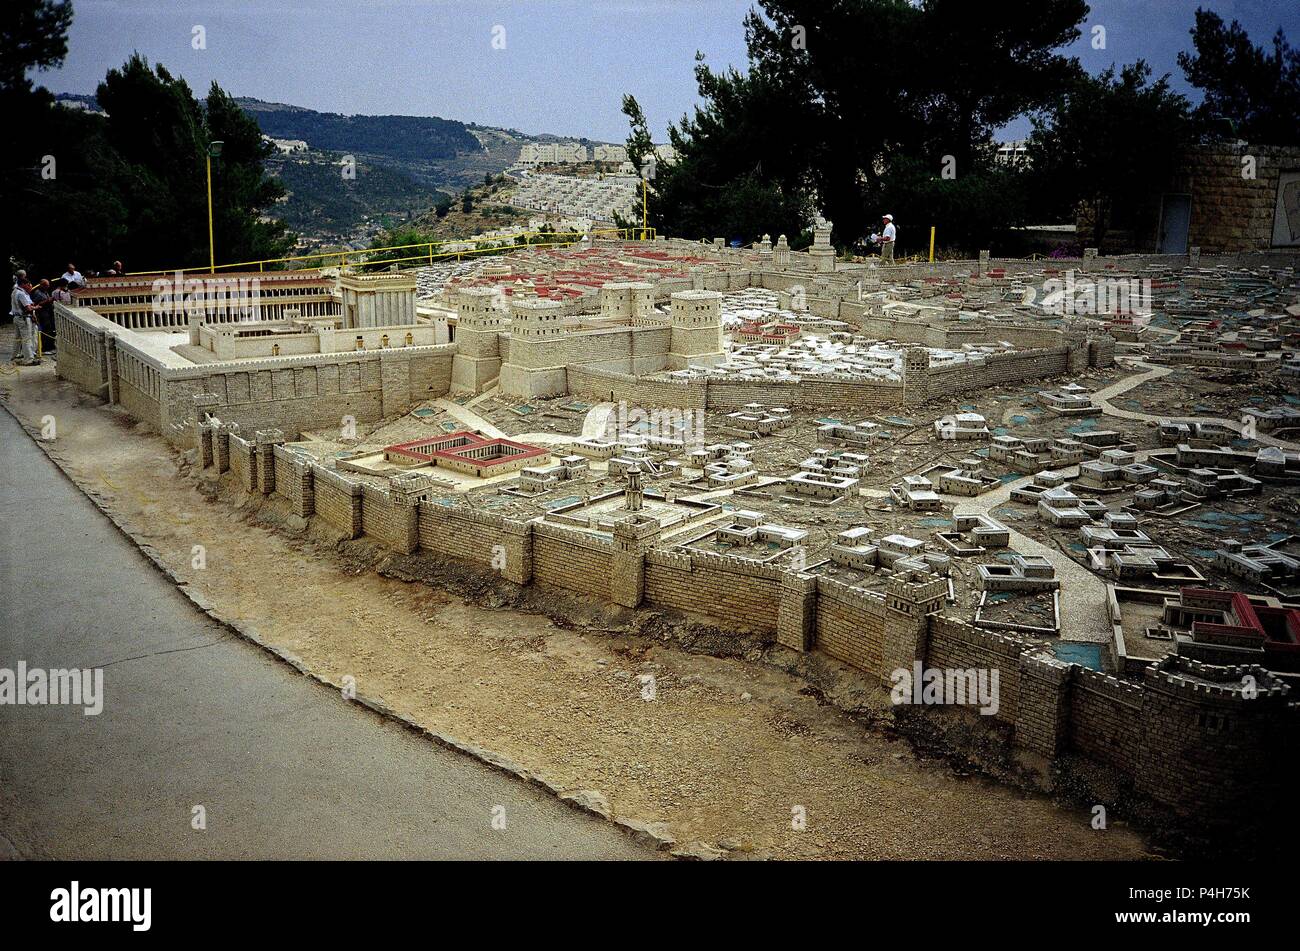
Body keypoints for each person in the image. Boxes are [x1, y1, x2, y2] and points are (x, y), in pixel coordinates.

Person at [9, 280, 39, 365]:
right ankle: (29, 359)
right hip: (23, 318)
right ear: (23, 284)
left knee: (17, 338)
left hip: (16, 317)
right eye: (27, 284)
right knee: (26, 339)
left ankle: (14, 356)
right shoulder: (21, 293)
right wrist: (36, 307)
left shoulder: (14, 291)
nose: (29, 286)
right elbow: (28, 308)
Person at [30, 278, 55, 354]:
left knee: (49, 329)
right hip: (41, 313)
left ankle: (49, 346)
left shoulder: (45, 291)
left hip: (48, 312)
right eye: (46, 285)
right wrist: (47, 301)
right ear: (42, 285)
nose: (48, 287)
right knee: (44, 330)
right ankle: (44, 348)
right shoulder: (37, 293)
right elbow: (36, 303)